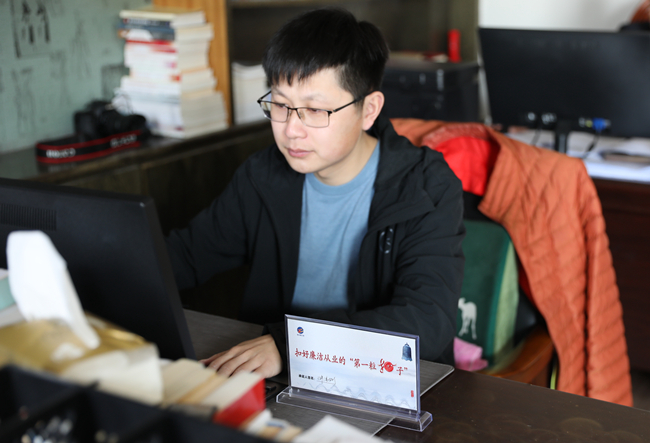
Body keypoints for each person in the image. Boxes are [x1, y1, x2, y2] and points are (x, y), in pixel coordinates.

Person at [166, 7, 464, 379]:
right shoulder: (264, 174)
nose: (291, 129)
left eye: (315, 110)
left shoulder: (425, 185)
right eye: (280, 104)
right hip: (281, 379)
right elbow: (186, 256)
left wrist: (291, 346)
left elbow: (427, 322)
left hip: (382, 381)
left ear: (368, 110)